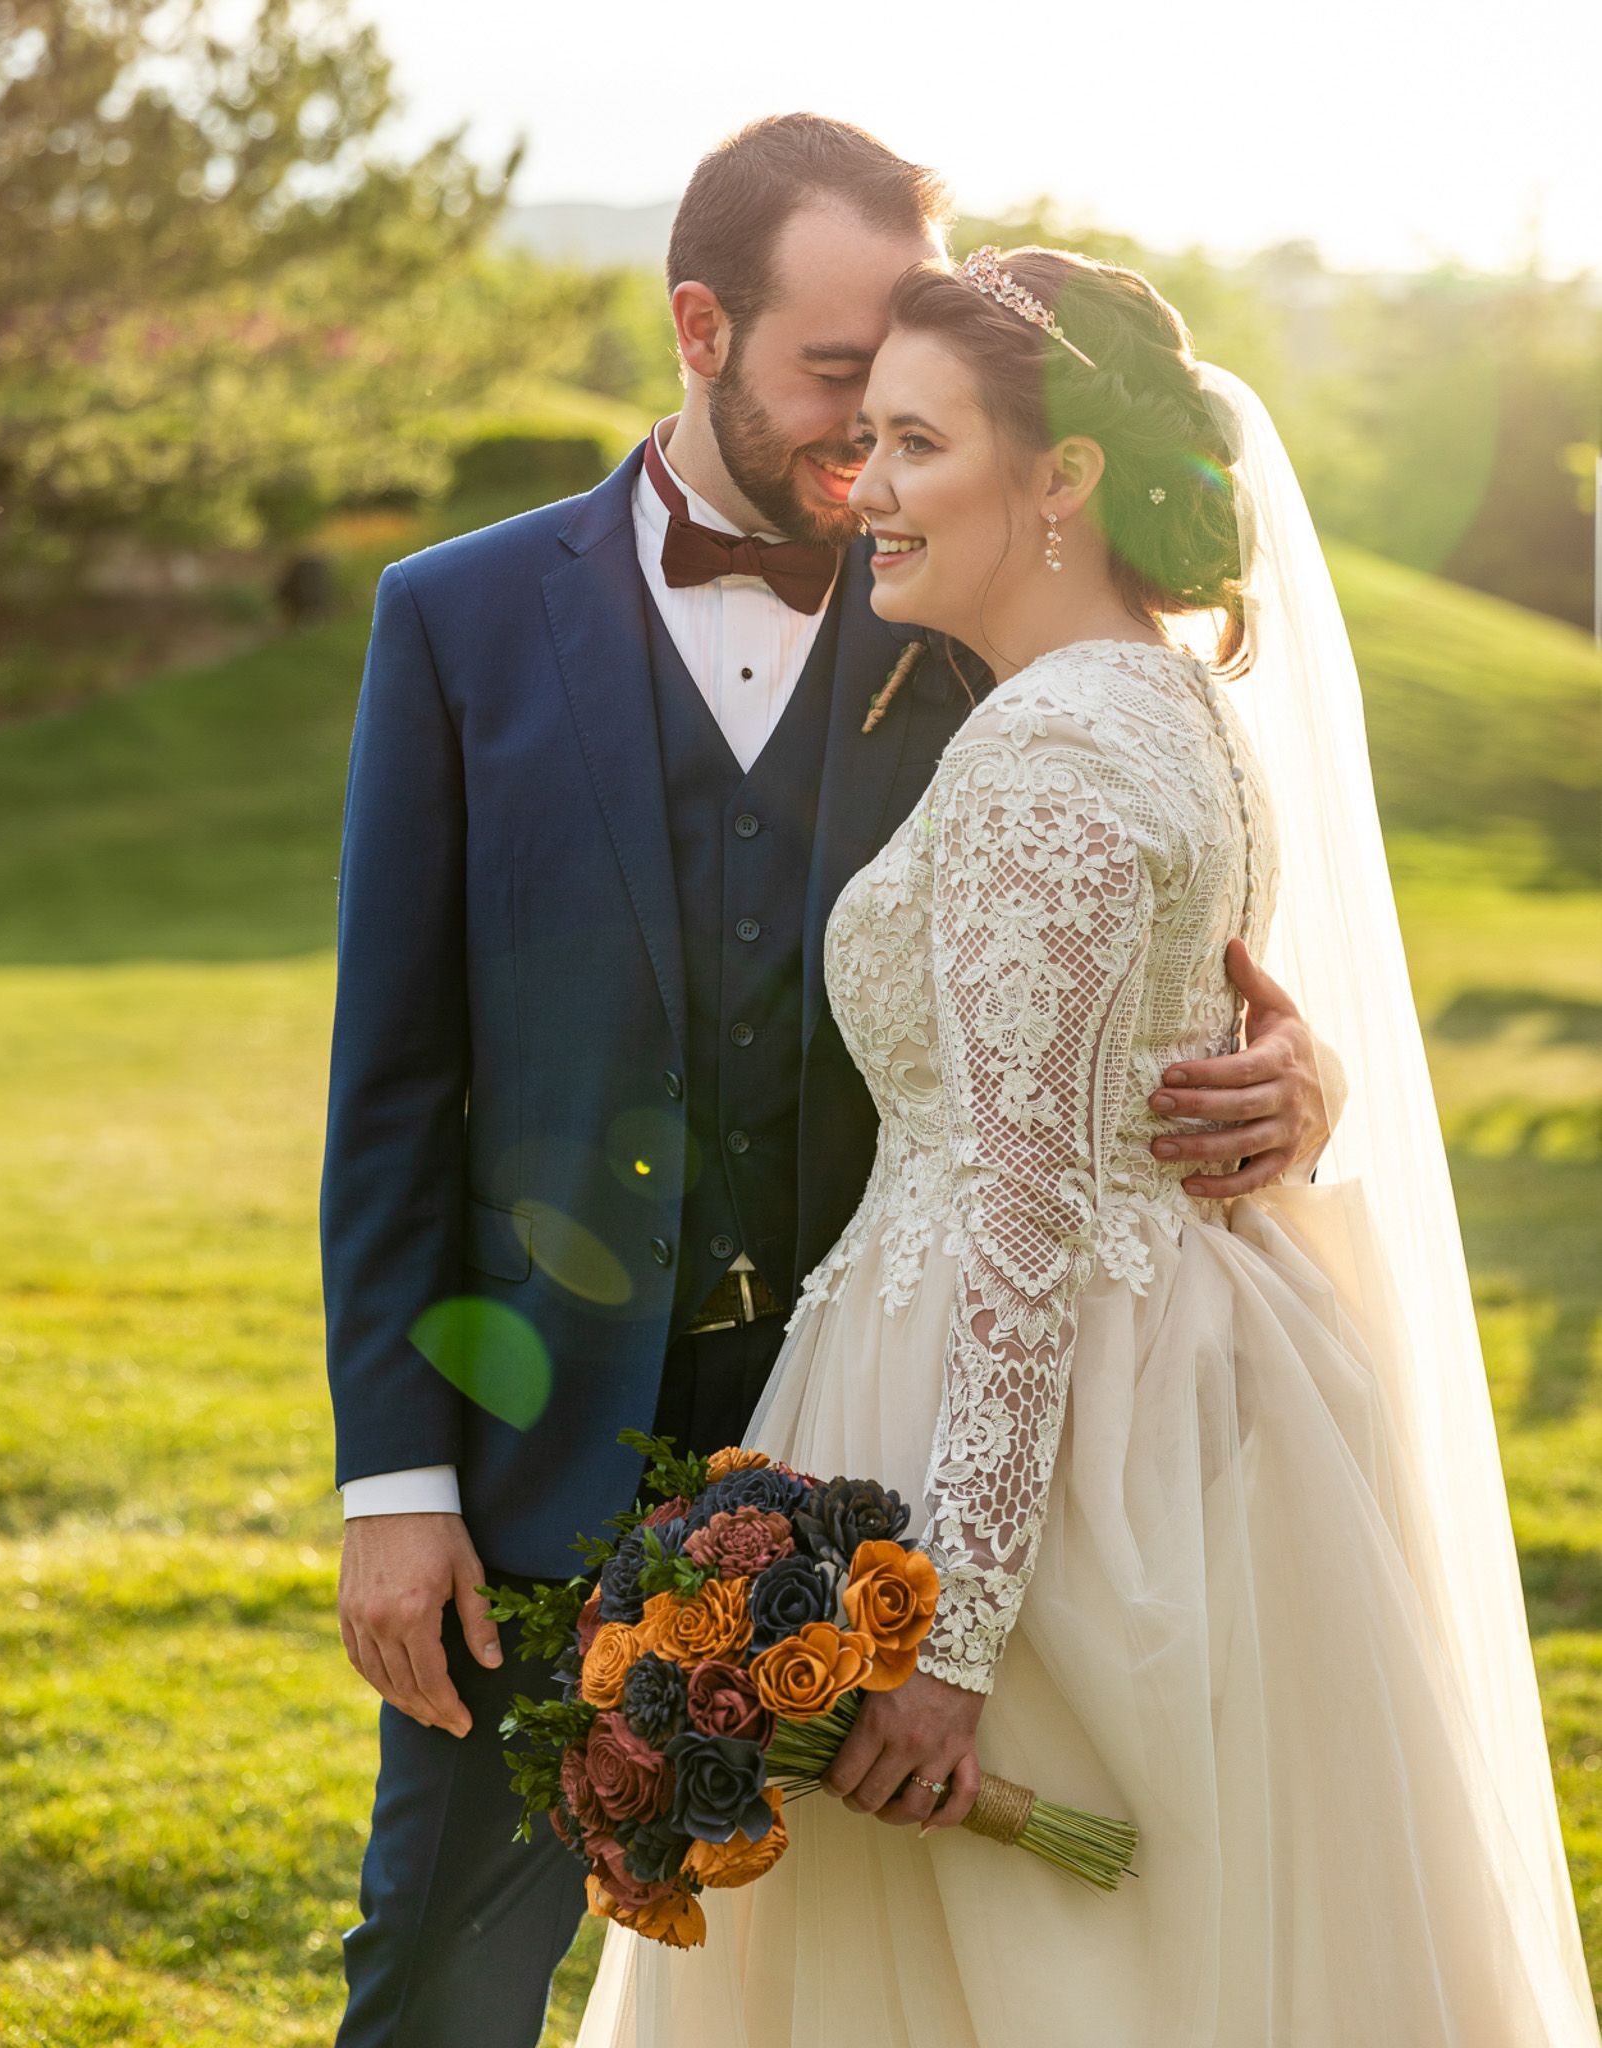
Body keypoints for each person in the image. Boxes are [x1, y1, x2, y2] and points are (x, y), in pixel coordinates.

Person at [320, 120, 1333, 2048]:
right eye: (833, 379)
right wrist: (396, 1477)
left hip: (888, 1463)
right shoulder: (452, 621)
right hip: (531, 1448)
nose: (869, 451)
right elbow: (393, 1086)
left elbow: (1145, 944)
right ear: (699, 325)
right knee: (439, 1967)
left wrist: (1296, 1070)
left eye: (906, 399)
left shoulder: (974, 593)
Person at [572, 247, 1600, 2045]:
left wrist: (945, 1642)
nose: (861, 486)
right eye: (863, 436)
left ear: (1059, 480)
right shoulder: (1165, 702)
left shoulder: (1049, 753)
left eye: (913, 444)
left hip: (1041, 1436)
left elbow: (1028, 1221)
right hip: (1180, 1367)